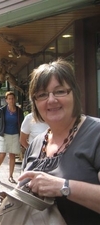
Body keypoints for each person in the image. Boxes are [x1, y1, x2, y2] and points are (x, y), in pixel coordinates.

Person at [18, 59, 100, 224]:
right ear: (35, 102)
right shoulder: (35, 144)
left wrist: (63, 187)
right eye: (42, 95)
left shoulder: (96, 134)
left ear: (74, 94)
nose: (51, 100)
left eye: (60, 91)